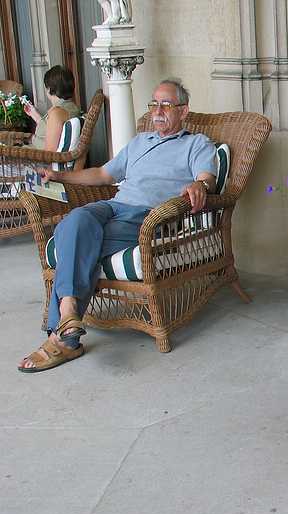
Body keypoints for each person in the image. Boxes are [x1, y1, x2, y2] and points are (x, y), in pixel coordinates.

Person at [17, 78, 216, 372]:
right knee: (77, 219)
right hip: (111, 206)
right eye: (153, 104)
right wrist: (58, 177)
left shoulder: (196, 144)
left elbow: (205, 178)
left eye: (166, 104)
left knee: (66, 240)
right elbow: (101, 175)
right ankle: (69, 316)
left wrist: (200, 186)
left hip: (147, 216)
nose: (157, 111)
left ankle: (64, 334)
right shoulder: (139, 142)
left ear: (183, 111)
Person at [23, 65, 82, 151]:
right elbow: (52, 127)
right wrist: (34, 114)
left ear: (49, 89)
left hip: (34, 158)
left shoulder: (56, 113)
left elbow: (49, 152)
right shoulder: (71, 107)